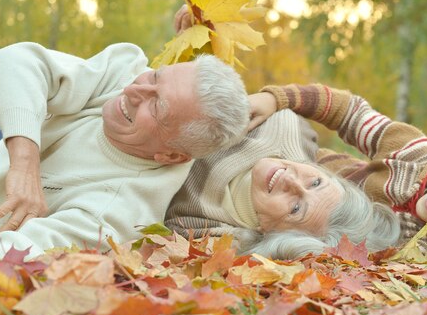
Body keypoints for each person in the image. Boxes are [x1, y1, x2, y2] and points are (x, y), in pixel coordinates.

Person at [0, 41, 250, 261]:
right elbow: (16, 60)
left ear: (172, 156)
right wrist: (24, 160)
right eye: (156, 77)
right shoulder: (125, 69)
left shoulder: (117, 212)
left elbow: (10, 255)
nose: (135, 89)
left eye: (157, 105)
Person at [247, 83, 427, 263]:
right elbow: (350, 112)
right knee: (272, 127)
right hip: (306, 163)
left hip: (286, 218)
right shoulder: (415, 154)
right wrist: (278, 98)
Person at [164, 107, 401, 260]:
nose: (291, 181)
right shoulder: (284, 126)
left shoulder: (206, 232)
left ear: (273, 236)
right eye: (316, 182)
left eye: (296, 208)